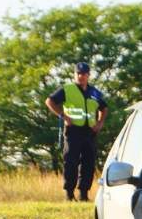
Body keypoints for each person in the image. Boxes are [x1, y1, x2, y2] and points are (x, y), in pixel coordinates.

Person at [45, 62, 108, 201]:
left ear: (88, 75)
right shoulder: (67, 89)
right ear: (74, 75)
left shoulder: (94, 92)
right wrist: (63, 115)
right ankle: (69, 193)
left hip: (90, 132)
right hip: (73, 130)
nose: (81, 76)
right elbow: (49, 101)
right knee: (71, 161)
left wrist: (100, 122)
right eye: (78, 74)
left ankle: (84, 194)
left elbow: (104, 108)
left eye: (84, 74)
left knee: (88, 163)